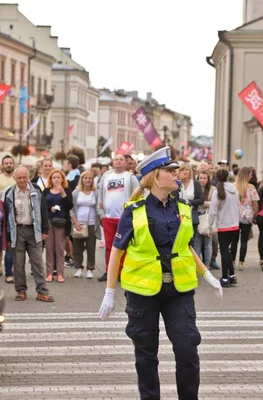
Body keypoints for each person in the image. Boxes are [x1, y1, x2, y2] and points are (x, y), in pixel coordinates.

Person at [97, 146, 223, 400]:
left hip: (179, 290)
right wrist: (110, 292)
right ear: (155, 176)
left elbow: (185, 246)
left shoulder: (183, 208)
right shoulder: (133, 211)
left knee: (188, 350)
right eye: (170, 170)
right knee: (146, 355)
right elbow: (116, 252)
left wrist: (206, 274)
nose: (177, 175)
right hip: (143, 293)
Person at [4, 167, 54, 302]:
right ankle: (21, 291)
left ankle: (42, 291)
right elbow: (7, 216)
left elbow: (43, 210)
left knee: (37, 262)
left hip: (34, 230)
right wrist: (8, 236)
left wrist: (45, 230)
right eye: (19, 178)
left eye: (24, 177)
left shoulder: (36, 190)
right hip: (17, 231)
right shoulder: (9, 193)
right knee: (18, 264)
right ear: (14, 178)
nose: (22, 180)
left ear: (28, 177)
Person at [96, 153, 140, 281]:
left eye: (121, 159)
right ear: (112, 162)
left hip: (124, 218)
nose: (119, 161)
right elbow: (101, 194)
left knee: (124, 246)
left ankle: (122, 272)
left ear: (126, 163)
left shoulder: (130, 177)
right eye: (116, 159)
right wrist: (102, 214)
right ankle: (110, 271)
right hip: (108, 217)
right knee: (109, 246)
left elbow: (137, 195)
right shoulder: (106, 176)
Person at [208, 168, 241, 287]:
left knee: (224, 252)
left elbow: (212, 211)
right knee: (227, 252)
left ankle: (225, 278)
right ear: (228, 177)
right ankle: (231, 275)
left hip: (223, 225)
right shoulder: (234, 190)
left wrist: (209, 226)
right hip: (234, 225)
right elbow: (238, 207)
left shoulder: (218, 191)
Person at [43, 169, 73, 283]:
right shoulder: (46, 191)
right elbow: (43, 206)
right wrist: (50, 208)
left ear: (62, 179)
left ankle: (60, 274)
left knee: (60, 248)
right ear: (51, 179)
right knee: (49, 248)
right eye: (54, 177)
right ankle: (49, 273)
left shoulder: (66, 190)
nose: (56, 179)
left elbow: (69, 206)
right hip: (49, 222)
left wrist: (63, 194)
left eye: (58, 177)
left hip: (61, 222)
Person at [71, 171, 101, 279]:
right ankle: (78, 268)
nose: (88, 180)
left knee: (91, 247)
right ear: (82, 179)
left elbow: (99, 207)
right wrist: (75, 221)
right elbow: (71, 208)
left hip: (92, 223)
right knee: (77, 248)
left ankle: (90, 269)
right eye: (86, 178)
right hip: (79, 223)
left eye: (90, 178)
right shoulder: (76, 192)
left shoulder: (96, 192)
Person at [235, 167, 260, 270]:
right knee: (244, 240)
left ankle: (232, 260)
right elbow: (255, 204)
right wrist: (256, 215)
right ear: (246, 175)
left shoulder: (234, 186)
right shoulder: (251, 187)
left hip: (235, 216)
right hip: (247, 216)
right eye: (250, 174)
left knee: (234, 240)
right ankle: (241, 262)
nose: (251, 176)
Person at [176, 163, 204, 235]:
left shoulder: (195, 183)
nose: (185, 172)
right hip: (178, 215)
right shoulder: (176, 183)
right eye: (182, 170)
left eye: (187, 170)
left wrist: (187, 202)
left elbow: (201, 199)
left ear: (190, 172)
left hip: (191, 214)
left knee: (192, 238)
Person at [195, 171, 215, 267]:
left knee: (208, 243)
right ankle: (198, 264)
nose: (202, 180)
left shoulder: (212, 189)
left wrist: (201, 202)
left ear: (208, 179)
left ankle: (207, 264)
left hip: (207, 217)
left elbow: (214, 203)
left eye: (204, 178)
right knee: (197, 243)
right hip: (197, 216)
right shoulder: (195, 188)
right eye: (200, 178)